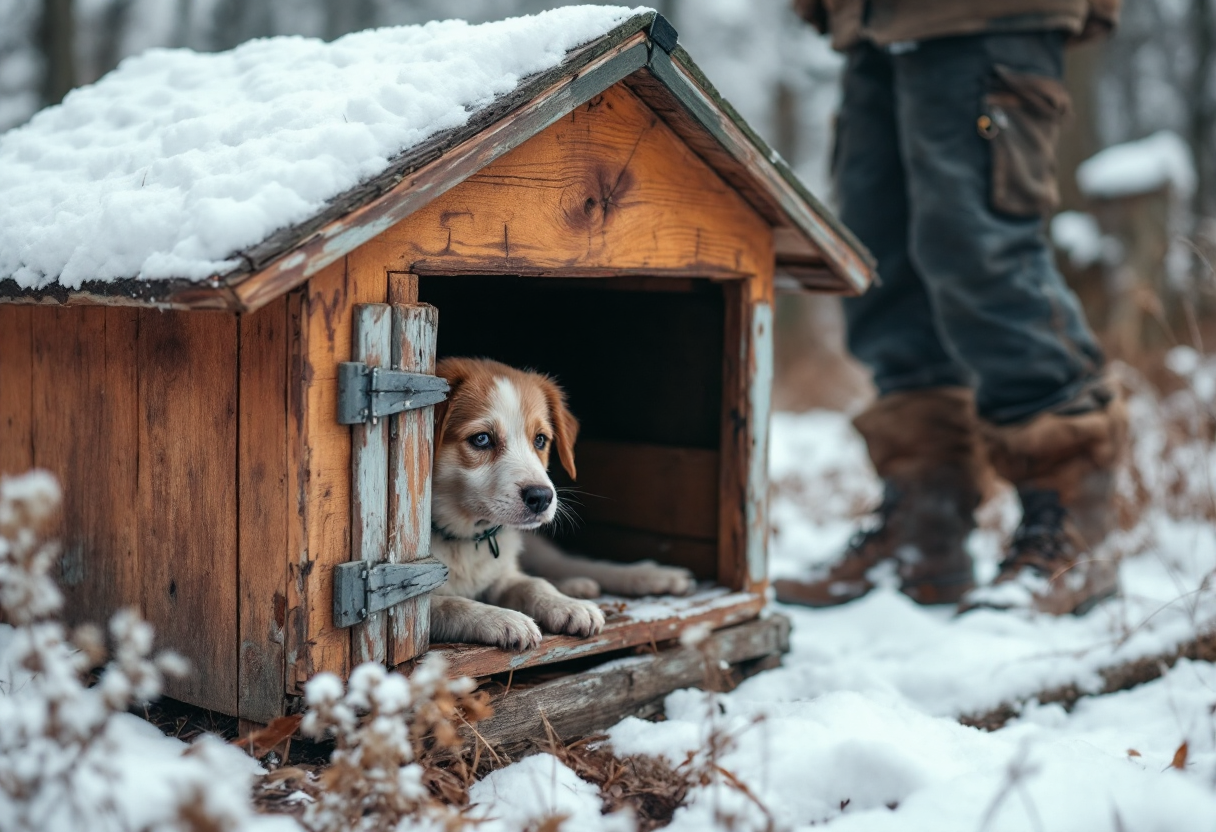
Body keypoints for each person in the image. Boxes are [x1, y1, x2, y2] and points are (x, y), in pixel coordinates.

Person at [774, 0, 1127, 615]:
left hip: (986, 17)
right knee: (877, 262)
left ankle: (1069, 533)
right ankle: (923, 532)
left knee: (981, 254)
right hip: (870, 25)